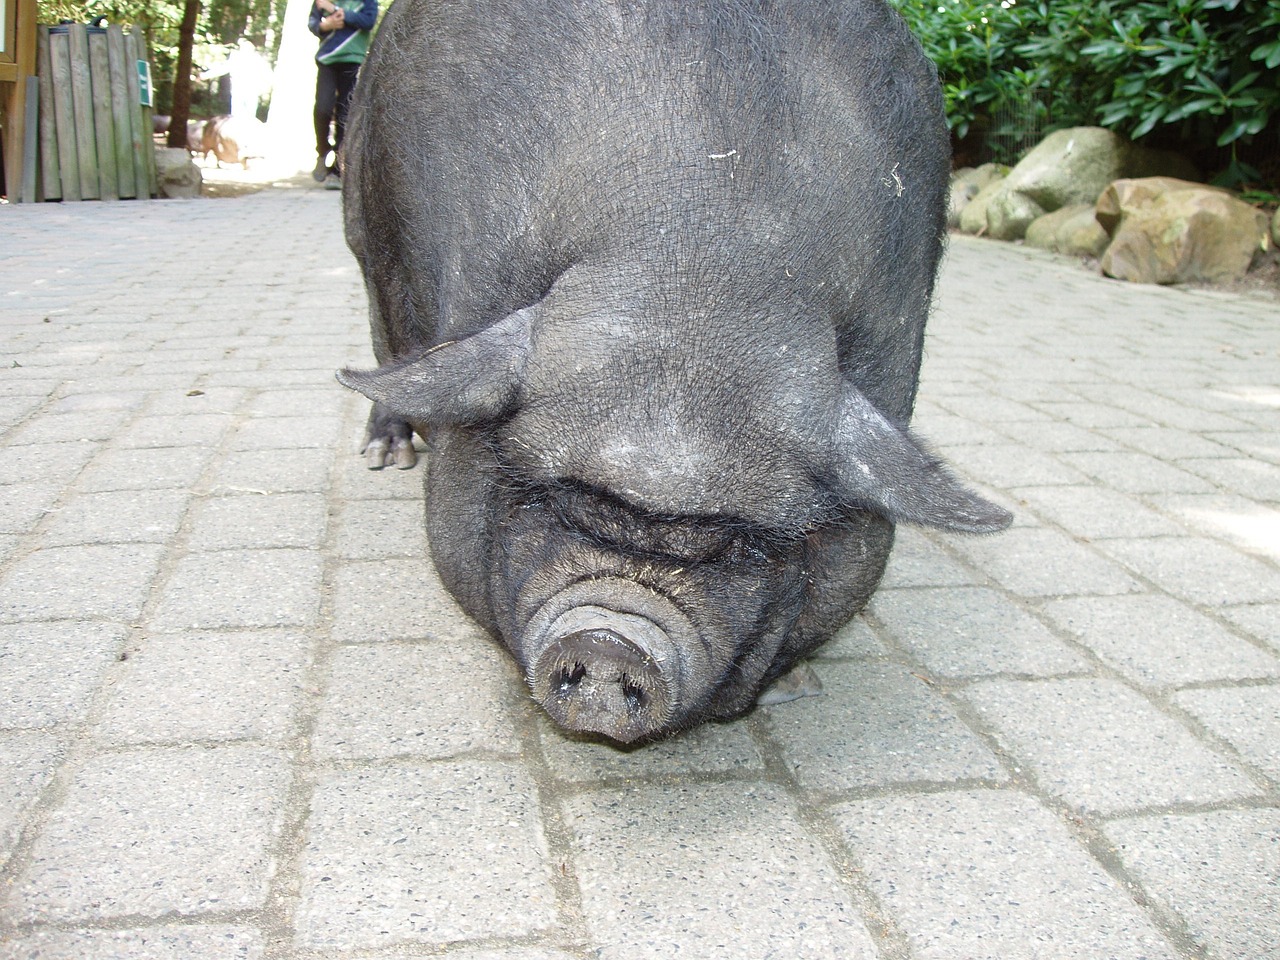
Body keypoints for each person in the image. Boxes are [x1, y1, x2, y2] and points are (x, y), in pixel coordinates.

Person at [309, 0, 378, 189]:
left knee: (344, 114)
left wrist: (339, 12)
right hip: (327, 60)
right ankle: (322, 152)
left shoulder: (367, 2)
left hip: (353, 60)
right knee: (322, 109)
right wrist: (325, 25)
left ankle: (338, 169)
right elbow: (313, 24)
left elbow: (369, 21)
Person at [202, 38, 273, 121]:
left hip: (251, 91)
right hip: (238, 91)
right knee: (237, 117)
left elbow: (268, 74)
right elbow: (222, 69)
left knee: (249, 117)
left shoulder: (257, 60)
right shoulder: (237, 58)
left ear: (252, 47)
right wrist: (205, 75)